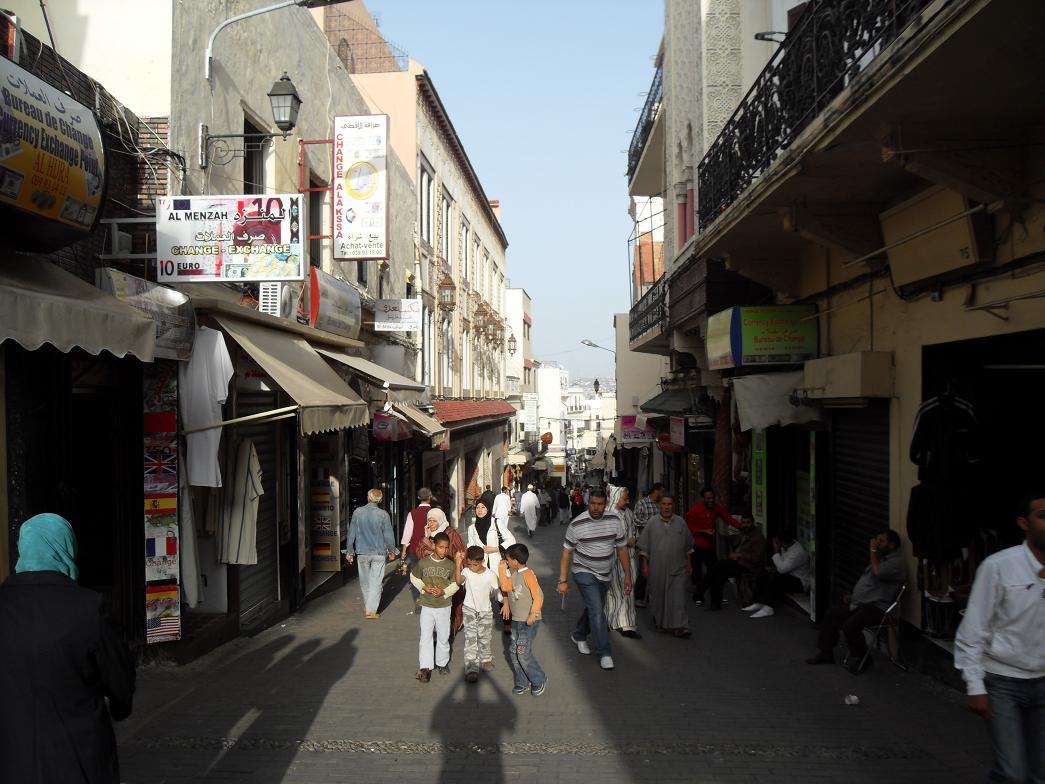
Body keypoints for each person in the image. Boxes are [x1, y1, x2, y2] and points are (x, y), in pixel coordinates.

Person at [0, 513, 136, 783]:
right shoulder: (88, 608)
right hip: (77, 758)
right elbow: (119, 678)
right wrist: (121, 707)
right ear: (66, 547)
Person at [954, 492, 1045, 784]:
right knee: (1013, 774)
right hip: (1003, 682)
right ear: (1023, 523)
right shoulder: (999, 566)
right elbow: (973, 631)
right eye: (1043, 517)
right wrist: (975, 684)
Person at [806, 529, 906, 673]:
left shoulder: (897, 562)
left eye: (881, 541)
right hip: (861, 605)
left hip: (878, 608)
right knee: (832, 614)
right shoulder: (881, 558)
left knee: (850, 625)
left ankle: (864, 658)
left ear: (892, 545)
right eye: (876, 540)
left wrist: (872, 550)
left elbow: (878, 573)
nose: (877, 543)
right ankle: (826, 653)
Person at [557, 487, 632, 670]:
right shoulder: (577, 524)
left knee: (594, 607)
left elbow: (622, 549)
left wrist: (627, 575)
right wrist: (563, 580)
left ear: (605, 504)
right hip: (584, 571)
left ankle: (579, 634)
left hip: (605, 574)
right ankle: (604, 652)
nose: (596, 507)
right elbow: (567, 553)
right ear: (588, 502)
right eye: (592, 503)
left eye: (600, 504)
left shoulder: (614, 521)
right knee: (597, 611)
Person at [637, 495, 693, 638]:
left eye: (669, 504)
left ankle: (680, 626)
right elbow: (644, 548)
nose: (667, 507)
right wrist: (645, 566)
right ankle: (660, 622)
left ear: (673, 505)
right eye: (664, 504)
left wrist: (689, 564)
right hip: (657, 568)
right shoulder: (651, 523)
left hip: (678, 567)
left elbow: (688, 546)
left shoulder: (680, 522)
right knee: (658, 596)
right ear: (659, 506)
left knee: (678, 597)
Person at [498, 544, 548, 696]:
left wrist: (533, 613)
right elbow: (506, 587)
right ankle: (522, 682)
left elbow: (539, 595)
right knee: (514, 652)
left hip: (528, 621)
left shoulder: (528, 575)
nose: (506, 561)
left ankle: (539, 679)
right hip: (517, 620)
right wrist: (501, 569)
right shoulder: (514, 573)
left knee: (523, 653)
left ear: (514, 561)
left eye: (507, 559)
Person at [410, 532, 459, 682]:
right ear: (433, 545)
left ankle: (442, 663)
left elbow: (456, 584)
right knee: (426, 636)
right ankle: (425, 667)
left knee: (444, 636)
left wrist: (444, 591)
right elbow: (414, 577)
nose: (443, 550)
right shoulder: (424, 562)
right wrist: (424, 588)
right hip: (427, 605)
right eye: (440, 547)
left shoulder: (450, 565)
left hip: (444, 605)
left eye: (446, 548)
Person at [693, 514, 766, 611]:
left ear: (752, 523)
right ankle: (715, 604)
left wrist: (739, 555)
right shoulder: (743, 532)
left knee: (719, 565)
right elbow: (735, 542)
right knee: (718, 574)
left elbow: (757, 557)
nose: (745, 525)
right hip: (738, 562)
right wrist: (727, 537)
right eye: (743, 523)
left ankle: (700, 589)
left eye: (748, 523)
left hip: (749, 566)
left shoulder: (757, 536)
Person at [344, 488, 398, 619]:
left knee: (365, 581)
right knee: (376, 581)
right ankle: (371, 610)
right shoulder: (384, 515)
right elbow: (389, 536)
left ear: (368, 498)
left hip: (362, 552)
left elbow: (351, 534)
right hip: (379, 553)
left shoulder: (357, 512)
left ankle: (369, 607)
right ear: (380, 500)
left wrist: (349, 552)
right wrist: (392, 551)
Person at [454, 545, 501, 683]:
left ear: (482, 561)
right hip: (469, 610)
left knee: (485, 636)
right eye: (469, 564)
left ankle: (485, 659)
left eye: (475, 564)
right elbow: (458, 581)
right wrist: (458, 564)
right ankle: (471, 667)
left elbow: (495, 591)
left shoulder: (491, 574)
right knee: (470, 639)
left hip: (485, 611)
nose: (472, 567)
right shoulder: (466, 571)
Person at [416, 507, 467, 635]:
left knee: (452, 604)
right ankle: (438, 633)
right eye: (429, 521)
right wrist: (426, 539)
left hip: (449, 574)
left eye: (434, 521)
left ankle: (449, 632)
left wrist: (464, 572)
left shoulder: (451, 533)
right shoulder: (428, 536)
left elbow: (460, 552)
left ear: (440, 520)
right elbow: (420, 554)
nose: (431, 524)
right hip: (432, 578)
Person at [685, 487, 738, 604]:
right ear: (702, 498)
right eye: (708, 498)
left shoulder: (716, 508)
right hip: (697, 545)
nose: (711, 500)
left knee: (715, 571)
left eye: (712, 498)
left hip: (710, 546)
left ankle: (717, 595)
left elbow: (728, 518)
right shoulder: (695, 510)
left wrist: (741, 526)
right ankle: (698, 596)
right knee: (697, 573)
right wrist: (704, 531)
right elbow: (689, 527)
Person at [744, 531, 811, 618]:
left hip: (800, 583)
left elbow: (782, 570)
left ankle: (769, 607)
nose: (776, 544)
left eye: (777, 542)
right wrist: (773, 569)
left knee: (776, 577)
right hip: (789, 575)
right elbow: (784, 565)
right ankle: (759, 602)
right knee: (763, 573)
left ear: (782, 542)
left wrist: (776, 551)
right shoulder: (788, 546)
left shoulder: (797, 552)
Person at [605, 484, 641, 639]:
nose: (627, 502)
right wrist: (626, 542)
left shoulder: (628, 513)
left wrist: (634, 539)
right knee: (611, 591)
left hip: (628, 559)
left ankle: (627, 623)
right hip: (612, 559)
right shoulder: (607, 516)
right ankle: (610, 620)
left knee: (627, 589)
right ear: (616, 498)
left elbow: (634, 532)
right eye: (625, 499)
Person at [632, 483, 665, 607]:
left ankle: (653, 596)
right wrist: (652, 523)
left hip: (659, 542)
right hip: (645, 543)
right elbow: (635, 519)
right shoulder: (642, 503)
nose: (662, 494)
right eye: (661, 491)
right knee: (643, 571)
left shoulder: (661, 504)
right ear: (656, 491)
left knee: (657, 571)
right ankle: (639, 597)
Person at [400, 487, 434, 571]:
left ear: (418, 498)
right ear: (430, 497)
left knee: (416, 576)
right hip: (431, 549)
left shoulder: (412, 513)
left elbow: (407, 533)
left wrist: (404, 550)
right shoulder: (435, 512)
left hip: (415, 549)